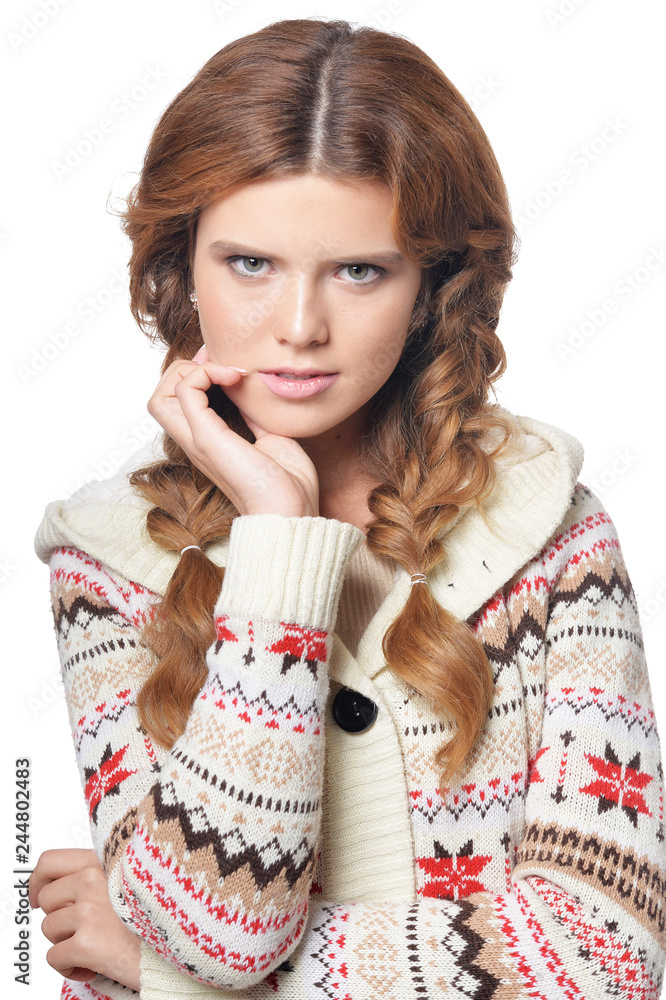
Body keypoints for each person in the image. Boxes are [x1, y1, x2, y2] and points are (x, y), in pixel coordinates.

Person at [29, 15, 665, 1000]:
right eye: (249, 263)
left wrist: (149, 964)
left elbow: (608, 959)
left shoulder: (547, 529)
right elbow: (224, 930)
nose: (298, 327)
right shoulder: (108, 558)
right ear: (181, 268)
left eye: (359, 270)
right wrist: (277, 541)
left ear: (430, 289)